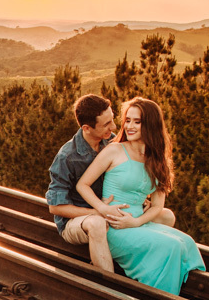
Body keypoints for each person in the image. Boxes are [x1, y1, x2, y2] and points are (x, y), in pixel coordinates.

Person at [74, 97, 204, 295]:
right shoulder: (114, 150)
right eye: (128, 120)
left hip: (137, 224)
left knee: (186, 242)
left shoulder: (157, 159)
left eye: (137, 121)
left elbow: (157, 206)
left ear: (151, 125)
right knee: (171, 247)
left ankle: (172, 295)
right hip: (114, 227)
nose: (129, 126)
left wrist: (136, 222)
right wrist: (102, 208)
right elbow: (82, 185)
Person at [46, 94, 175, 272]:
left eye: (113, 120)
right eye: (106, 124)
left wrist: (138, 200)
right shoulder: (67, 157)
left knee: (166, 215)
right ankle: (108, 286)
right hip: (78, 221)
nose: (114, 127)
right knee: (97, 223)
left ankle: (137, 260)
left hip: (113, 211)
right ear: (87, 128)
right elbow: (55, 208)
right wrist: (99, 210)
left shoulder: (112, 141)